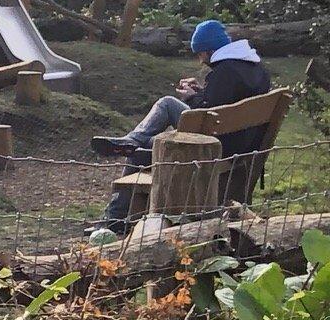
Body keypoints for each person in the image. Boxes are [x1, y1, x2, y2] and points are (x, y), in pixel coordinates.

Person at [95, 18, 270, 226]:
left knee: (166, 106)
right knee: (141, 149)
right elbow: (222, 104)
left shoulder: (225, 72)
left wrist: (191, 97)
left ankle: (115, 217)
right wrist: (201, 92)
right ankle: (116, 210)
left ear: (209, 50)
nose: (201, 61)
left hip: (215, 146)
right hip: (243, 146)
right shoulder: (255, 68)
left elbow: (206, 114)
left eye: (200, 54)